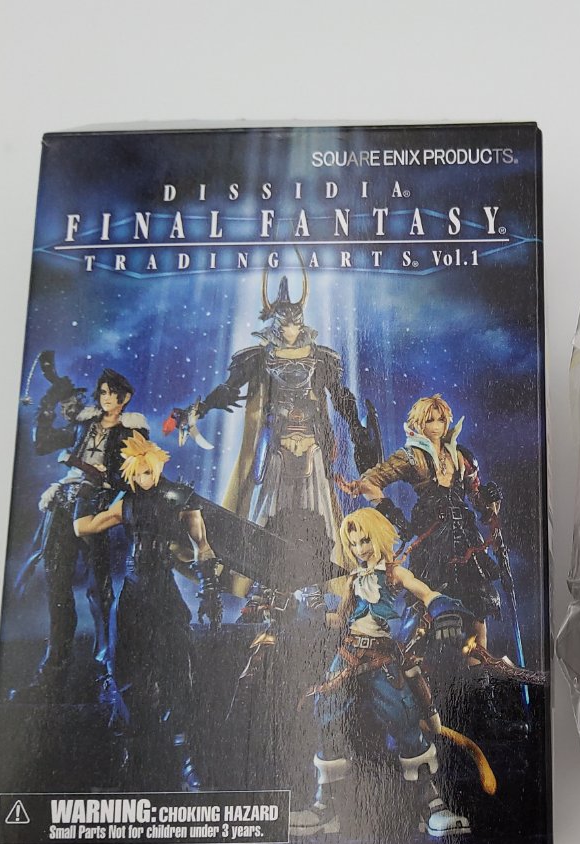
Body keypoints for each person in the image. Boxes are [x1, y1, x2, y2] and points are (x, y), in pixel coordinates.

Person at [172, 267, 376, 574]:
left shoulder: (321, 358)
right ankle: (261, 577)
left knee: (318, 510)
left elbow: (340, 396)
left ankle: (321, 576)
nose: (291, 329)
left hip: (313, 443)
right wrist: (198, 410)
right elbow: (229, 389)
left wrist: (357, 429)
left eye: (296, 321)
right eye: (285, 322)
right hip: (274, 444)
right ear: (276, 322)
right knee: (267, 508)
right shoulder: (257, 357)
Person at [288, 507, 475, 837]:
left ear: (378, 536)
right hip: (347, 657)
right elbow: (340, 620)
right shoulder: (352, 580)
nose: (360, 548)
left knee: (403, 719)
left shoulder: (393, 574)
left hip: (381, 660)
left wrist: (443, 610)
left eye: (365, 540)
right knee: (327, 714)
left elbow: (426, 592)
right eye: (354, 543)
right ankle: (324, 807)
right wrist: (305, 610)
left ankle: (431, 804)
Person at [73, 435, 222, 791]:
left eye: (150, 471)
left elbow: (203, 547)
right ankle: (133, 752)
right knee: (126, 669)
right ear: (132, 472)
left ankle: (187, 757)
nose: (146, 477)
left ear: (159, 466)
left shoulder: (180, 499)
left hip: (163, 591)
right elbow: (84, 526)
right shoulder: (125, 503)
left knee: (177, 671)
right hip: (133, 592)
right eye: (139, 472)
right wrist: (84, 491)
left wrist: (209, 589)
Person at [340, 395, 502, 651]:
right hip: (432, 535)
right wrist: (393, 515)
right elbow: (371, 481)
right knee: (425, 605)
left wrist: (490, 499)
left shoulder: (460, 456)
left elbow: (479, 501)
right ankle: (421, 661)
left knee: (478, 605)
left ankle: (478, 664)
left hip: (465, 536)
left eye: (440, 420)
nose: (436, 426)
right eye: (430, 421)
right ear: (419, 423)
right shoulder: (411, 456)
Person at [21, 367, 147, 690]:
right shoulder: (84, 424)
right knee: (56, 586)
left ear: (125, 398)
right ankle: (53, 670)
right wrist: (48, 402)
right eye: (102, 392)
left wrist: (94, 471)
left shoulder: (133, 432)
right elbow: (42, 443)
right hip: (63, 504)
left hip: (96, 508)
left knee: (99, 591)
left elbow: (133, 477)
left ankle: (108, 669)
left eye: (112, 393)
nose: (107, 399)